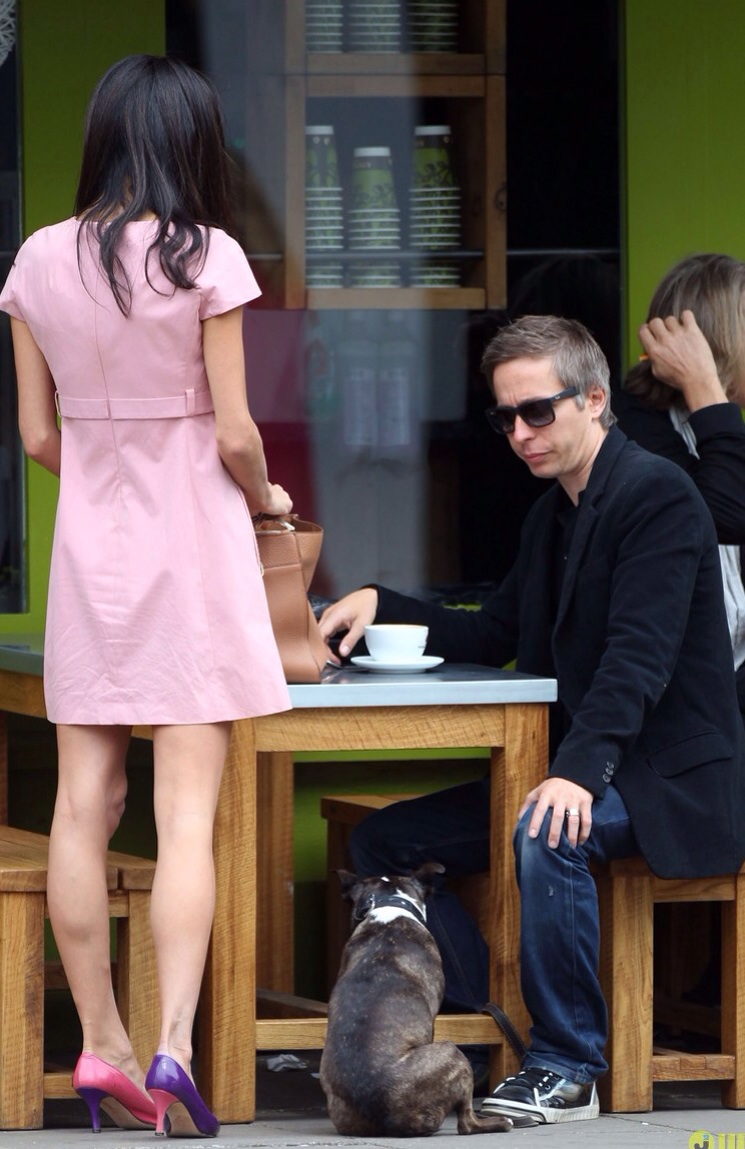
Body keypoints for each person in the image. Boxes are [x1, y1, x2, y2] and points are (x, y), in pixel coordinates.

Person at [318, 314, 745, 1127]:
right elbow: (494, 632)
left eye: (536, 412)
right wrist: (381, 604)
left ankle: (566, 1066)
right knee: (384, 844)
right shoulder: (553, 513)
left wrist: (578, 772)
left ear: (594, 399)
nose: (519, 433)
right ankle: (487, 1031)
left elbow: (637, 661)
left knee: (548, 829)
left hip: (668, 779)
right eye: (505, 417)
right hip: (588, 765)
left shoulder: (657, 494)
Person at [0, 55, 292, 1137]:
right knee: (185, 819)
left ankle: (100, 1043)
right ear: (192, 141)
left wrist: (106, 470)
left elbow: (37, 435)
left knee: (81, 806)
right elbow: (235, 432)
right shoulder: (207, 254)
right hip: (195, 549)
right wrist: (267, 498)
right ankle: (173, 1046)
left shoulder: (37, 258)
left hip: (92, 554)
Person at [614, 253, 745, 716]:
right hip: (672, 710)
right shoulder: (630, 427)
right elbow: (724, 515)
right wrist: (706, 385)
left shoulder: (726, 427)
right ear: (715, 344)